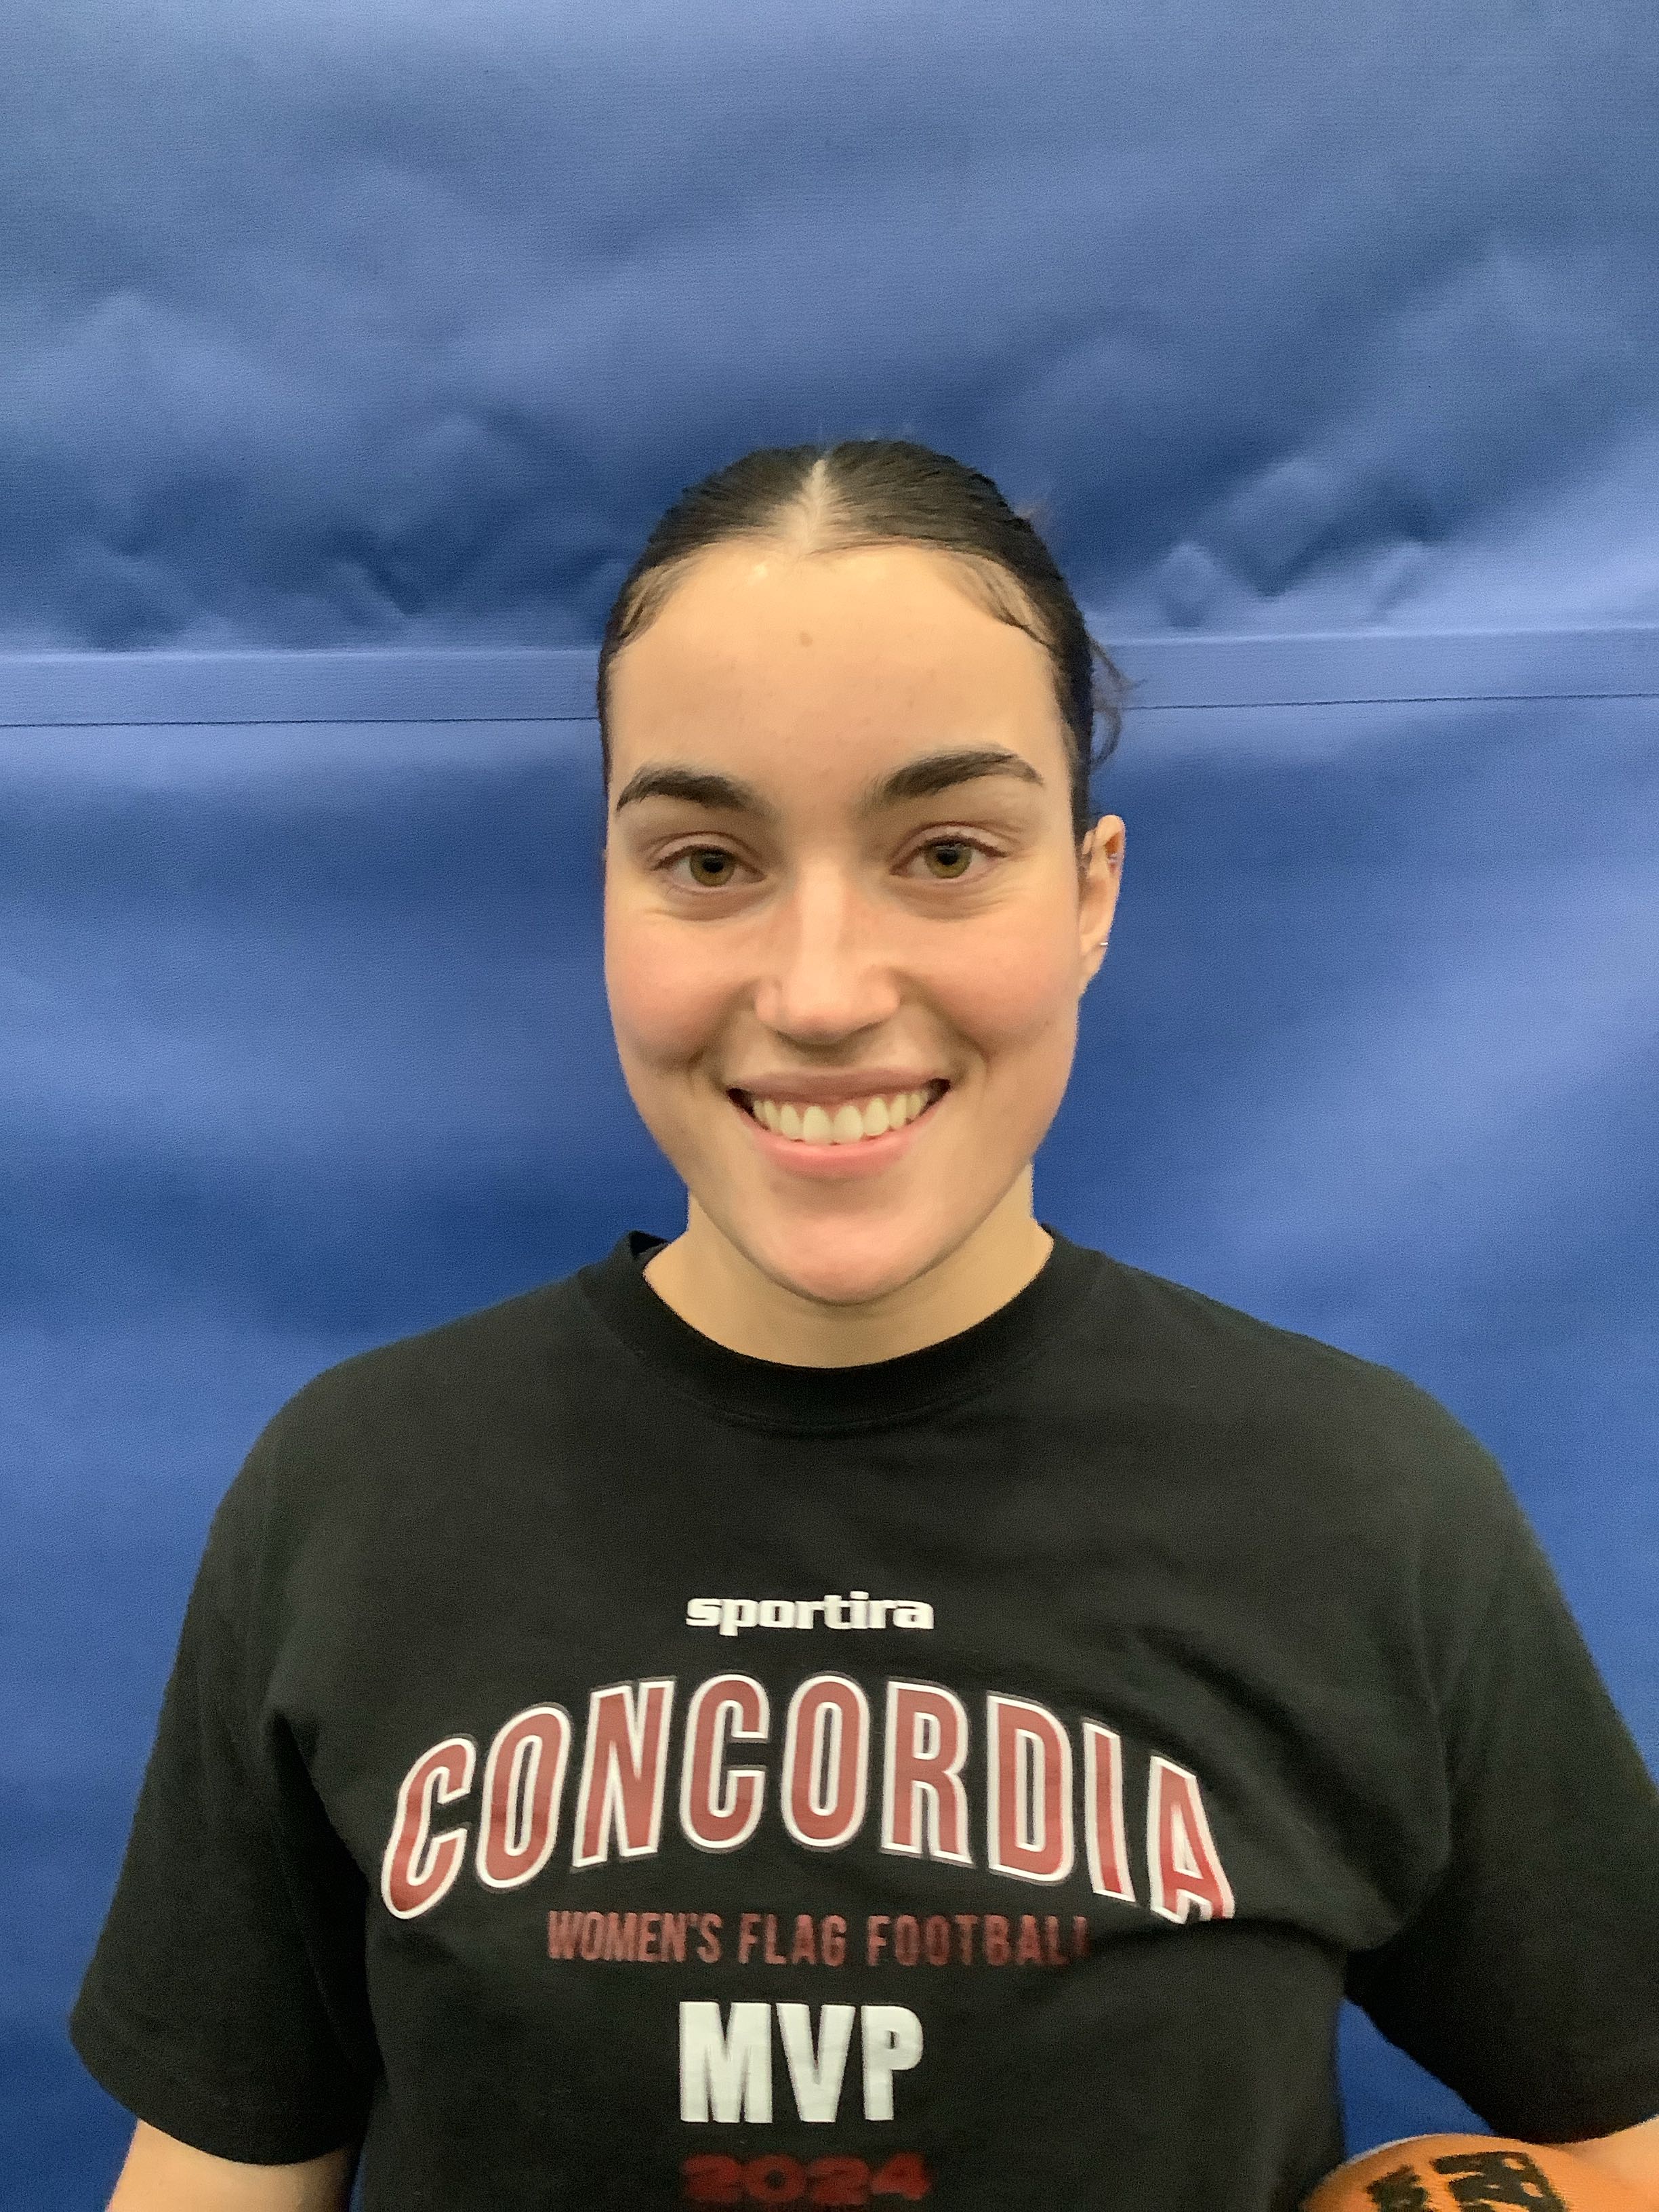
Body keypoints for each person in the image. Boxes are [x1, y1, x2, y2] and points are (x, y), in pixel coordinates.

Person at [72, 441, 1659, 2211]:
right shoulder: (356, 1495)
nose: (822, 992)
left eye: (948, 851)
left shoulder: (1367, 1509)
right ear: (608, 896)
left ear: (1091, 896)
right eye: (707, 860)